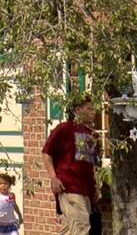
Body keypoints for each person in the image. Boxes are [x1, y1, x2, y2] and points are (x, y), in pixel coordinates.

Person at [42, 99, 99, 235]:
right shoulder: (64, 128)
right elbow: (46, 153)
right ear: (78, 110)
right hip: (69, 186)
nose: (93, 112)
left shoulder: (93, 135)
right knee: (81, 227)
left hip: (86, 189)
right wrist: (53, 178)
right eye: (89, 109)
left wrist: (96, 186)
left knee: (71, 229)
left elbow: (91, 163)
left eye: (93, 109)